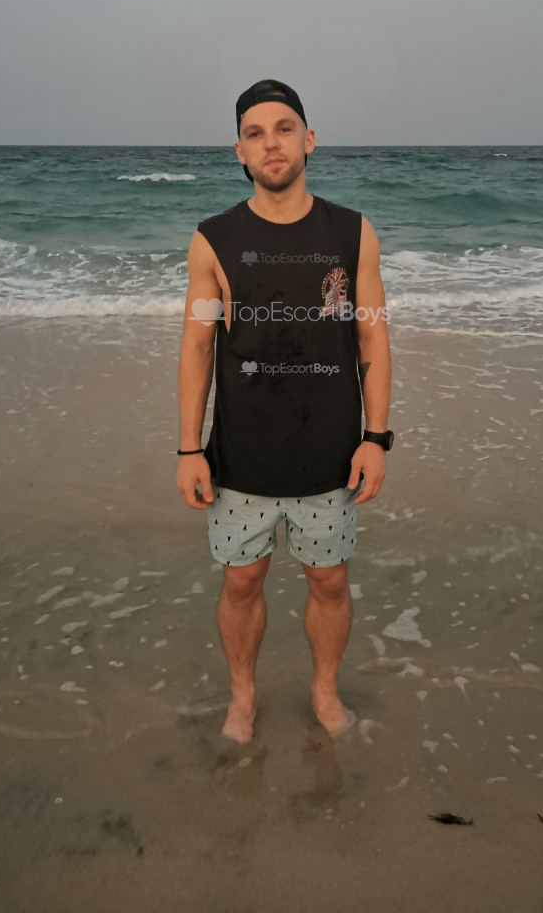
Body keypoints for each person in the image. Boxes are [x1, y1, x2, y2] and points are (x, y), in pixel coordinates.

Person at [176, 79, 393, 743]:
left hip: (329, 453)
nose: (270, 143)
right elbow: (197, 347)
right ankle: (243, 698)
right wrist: (189, 448)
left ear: (309, 139)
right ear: (239, 151)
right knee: (242, 581)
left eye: (283, 128)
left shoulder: (352, 232)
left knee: (329, 580)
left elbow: (373, 338)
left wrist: (376, 437)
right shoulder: (213, 240)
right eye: (254, 133)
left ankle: (324, 692)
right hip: (241, 454)